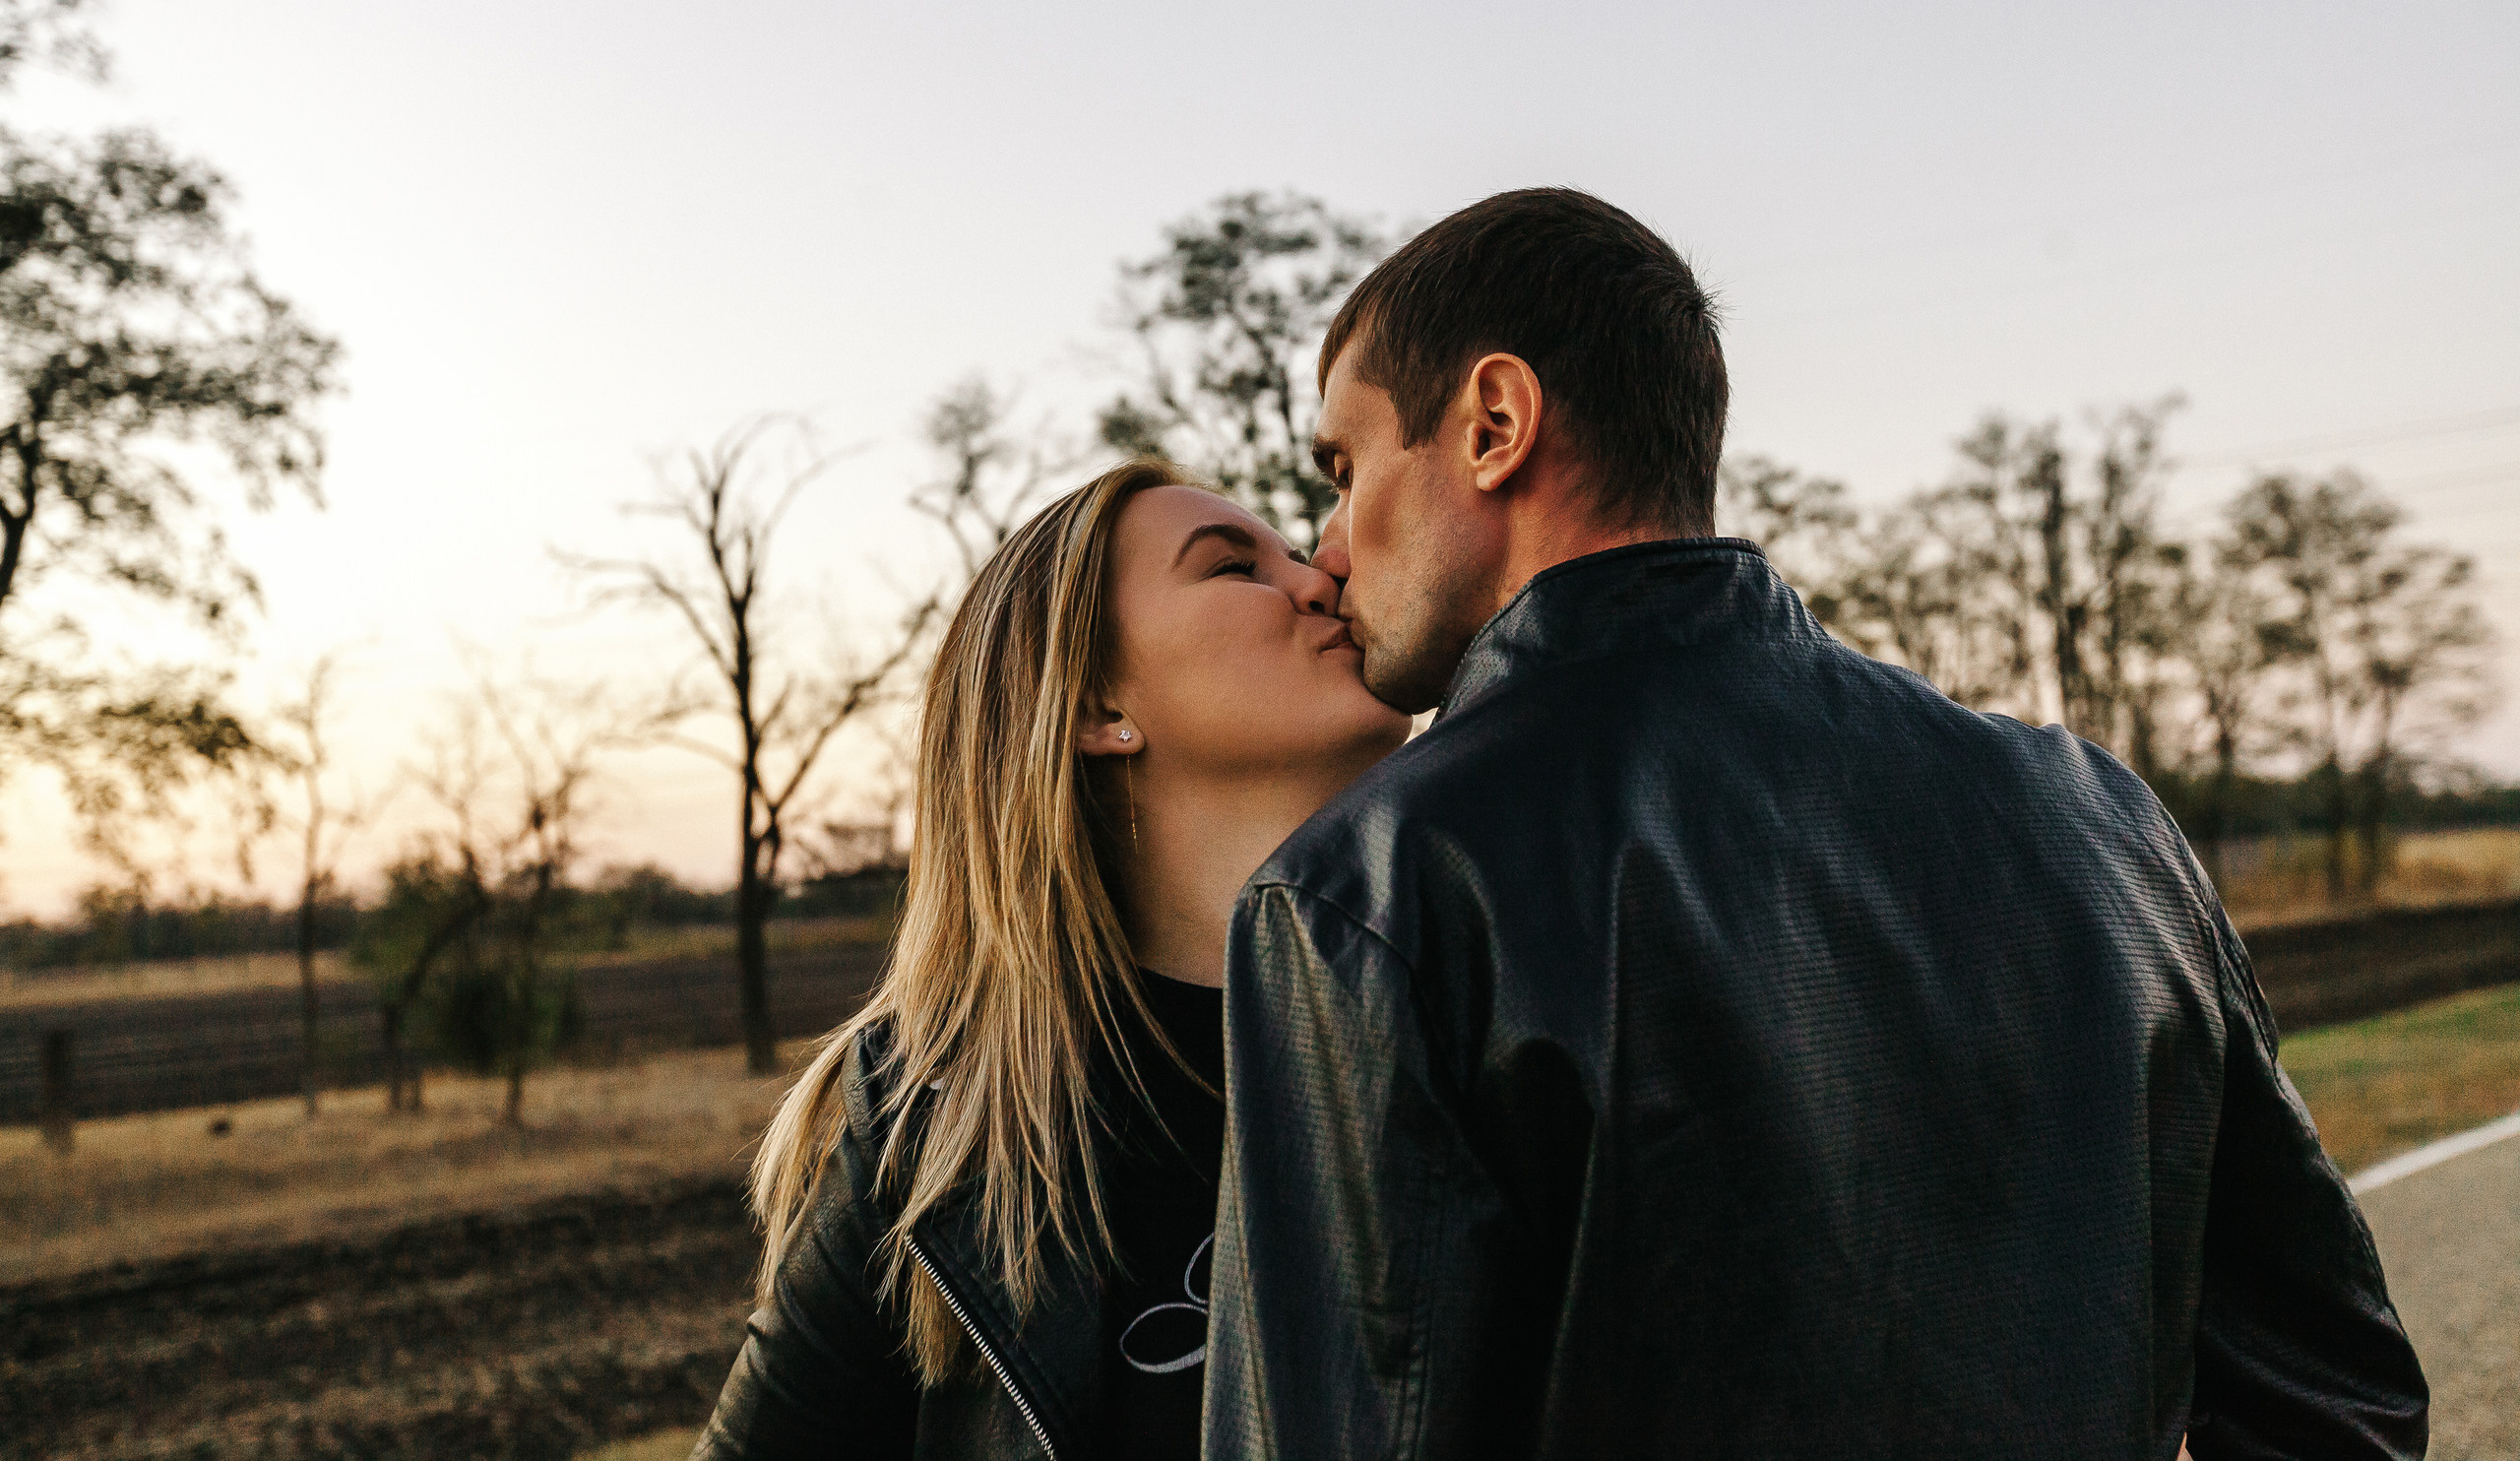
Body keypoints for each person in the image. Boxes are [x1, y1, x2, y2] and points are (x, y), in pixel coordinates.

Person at [1201, 188, 2429, 1459]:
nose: (1328, 545)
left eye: (1344, 470)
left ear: (1495, 423)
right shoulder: (2100, 820)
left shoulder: (1374, 889)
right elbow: (2336, 1389)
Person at [690, 458, 1409, 1460]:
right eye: (1234, 567)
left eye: (1295, 550)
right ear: (1093, 709)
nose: (1320, 575)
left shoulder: (1470, 1023)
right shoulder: (930, 1127)